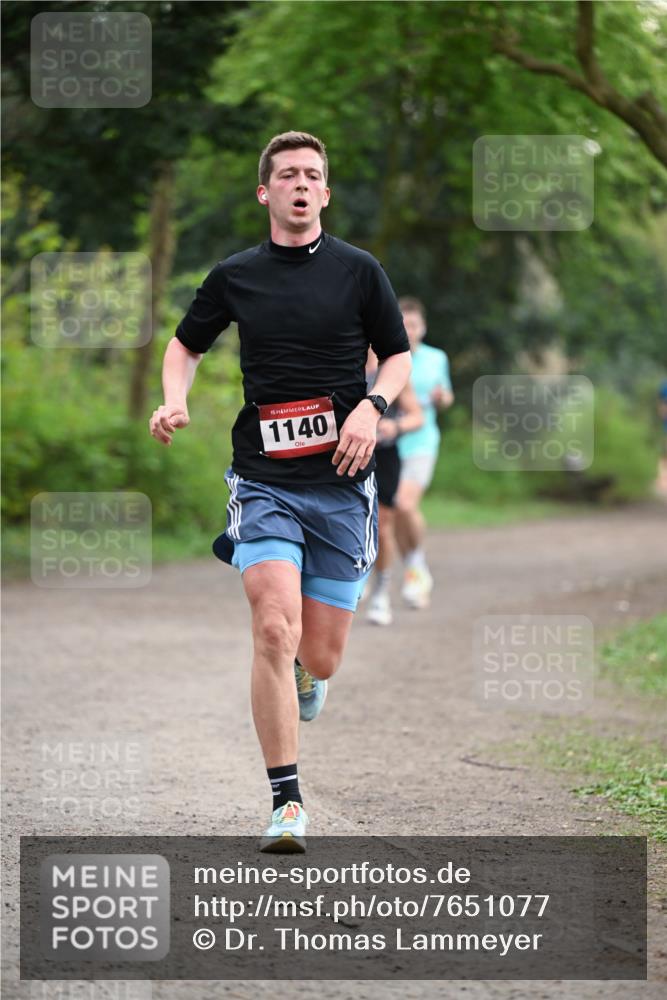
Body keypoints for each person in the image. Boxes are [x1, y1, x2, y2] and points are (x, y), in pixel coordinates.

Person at [149, 132, 411, 852]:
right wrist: (174, 398)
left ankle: (305, 669)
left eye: (313, 175)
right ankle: (286, 804)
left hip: (339, 485)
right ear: (266, 192)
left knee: (319, 656)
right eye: (287, 174)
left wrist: (370, 406)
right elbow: (185, 345)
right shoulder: (235, 275)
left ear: (325, 194)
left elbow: (395, 355)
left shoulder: (360, 272)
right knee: (272, 625)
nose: (300, 183)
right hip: (262, 475)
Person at [394, 297, 453, 609]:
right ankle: (415, 568)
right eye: (402, 324)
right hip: (389, 444)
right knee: (393, 512)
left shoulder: (435, 358)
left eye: (413, 324)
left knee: (405, 504)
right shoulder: (386, 356)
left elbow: (446, 398)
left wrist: (442, 397)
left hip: (422, 441)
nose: (408, 330)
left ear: (423, 328)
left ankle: (416, 564)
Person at [365, 350, 423, 626]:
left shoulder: (391, 368)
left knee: (381, 525)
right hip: (344, 453)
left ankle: (380, 592)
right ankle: (353, 578)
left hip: (383, 456)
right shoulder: (337, 358)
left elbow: (416, 416)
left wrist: (395, 426)